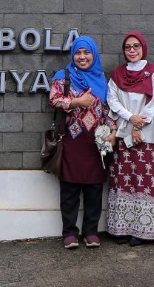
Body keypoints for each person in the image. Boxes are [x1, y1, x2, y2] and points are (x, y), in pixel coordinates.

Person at [49, 36, 115, 249]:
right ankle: (69, 233)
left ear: (93, 54)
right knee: (69, 189)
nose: (82, 57)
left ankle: (91, 232)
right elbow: (54, 99)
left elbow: (107, 108)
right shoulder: (63, 76)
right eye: (78, 53)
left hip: (96, 142)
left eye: (87, 53)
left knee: (94, 189)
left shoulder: (101, 78)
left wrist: (112, 131)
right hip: (72, 140)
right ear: (73, 55)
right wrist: (78, 101)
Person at [105, 31, 154, 245]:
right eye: (128, 47)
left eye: (136, 46)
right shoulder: (117, 74)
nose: (132, 50)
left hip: (147, 137)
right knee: (124, 181)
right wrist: (131, 118)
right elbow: (112, 100)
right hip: (123, 134)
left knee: (144, 182)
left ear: (143, 48)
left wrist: (140, 123)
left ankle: (143, 231)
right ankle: (121, 228)